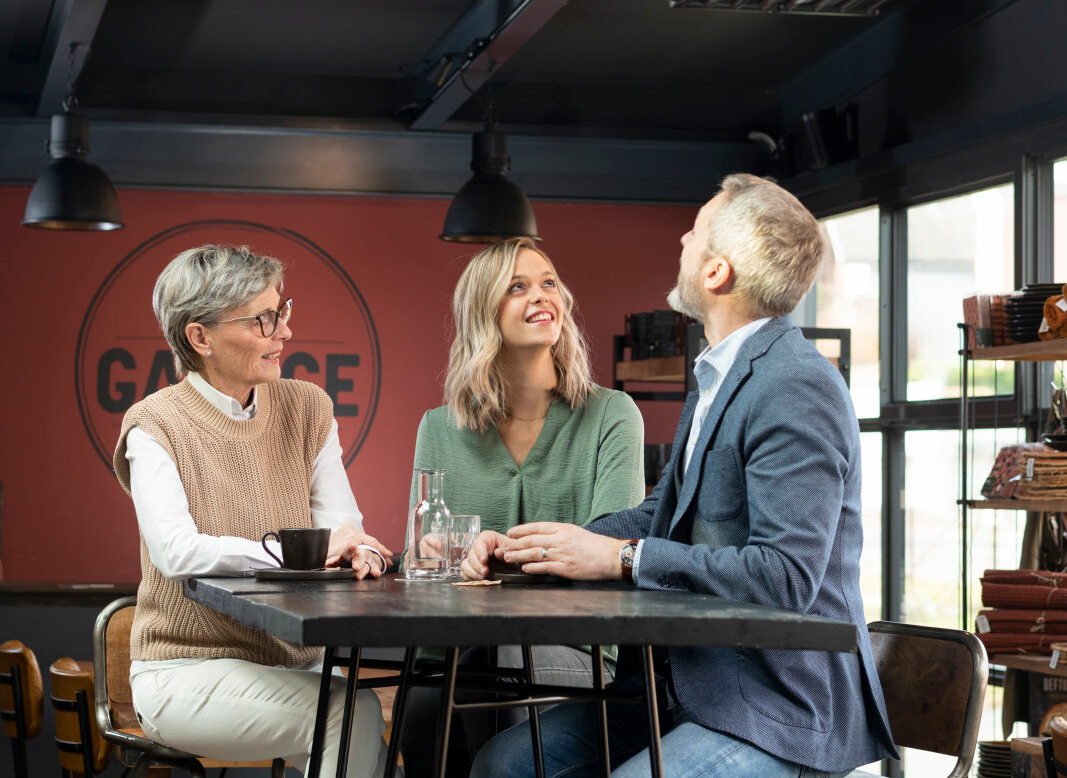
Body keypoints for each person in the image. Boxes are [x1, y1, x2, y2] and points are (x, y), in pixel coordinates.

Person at [463, 175, 898, 778]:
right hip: (689, 693)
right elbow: (660, 515)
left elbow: (785, 577)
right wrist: (530, 550)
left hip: (780, 709)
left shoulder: (794, 385)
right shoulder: (722, 377)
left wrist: (623, 558)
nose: (684, 238)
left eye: (695, 231)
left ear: (717, 273)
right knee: (504, 764)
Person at [112, 244, 395, 778]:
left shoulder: (307, 406)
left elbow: (341, 528)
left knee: (377, 730)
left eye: (282, 311)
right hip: (182, 673)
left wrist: (356, 548)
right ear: (200, 337)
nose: (284, 332)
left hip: (298, 664)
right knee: (351, 713)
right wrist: (302, 551)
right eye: (264, 320)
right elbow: (176, 553)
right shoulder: (155, 425)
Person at [398, 236, 645, 776]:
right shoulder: (438, 427)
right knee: (422, 703)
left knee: (509, 657)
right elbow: (415, 560)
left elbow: (610, 547)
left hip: (576, 649)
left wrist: (495, 553)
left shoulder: (613, 416)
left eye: (549, 283)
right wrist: (436, 555)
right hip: (457, 651)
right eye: (518, 287)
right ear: (484, 314)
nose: (542, 296)